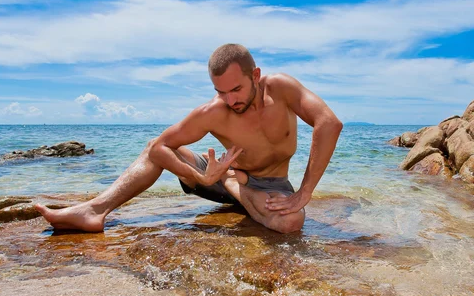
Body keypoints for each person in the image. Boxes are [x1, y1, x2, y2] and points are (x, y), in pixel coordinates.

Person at [35, 44, 343, 234]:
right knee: (153, 146)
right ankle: (94, 211)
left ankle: (238, 184)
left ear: (255, 75)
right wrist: (199, 175)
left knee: (291, 223)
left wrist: (304, 192)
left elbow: (329, 123)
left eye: (235, 89)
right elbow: (159, 148)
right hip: (219, 178)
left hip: (269, 186)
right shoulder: (215, 111)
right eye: (220, 91)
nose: (229, 99)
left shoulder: (281, 88)